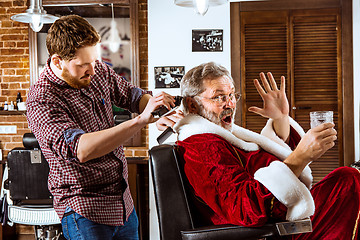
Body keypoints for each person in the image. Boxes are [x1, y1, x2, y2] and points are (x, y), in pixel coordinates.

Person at [26, 15, 181, 240]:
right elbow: (81, 149)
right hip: (85, 211)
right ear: (58, 61)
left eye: (94, 61)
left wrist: (157, 110)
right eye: (83, 65)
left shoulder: (98, 71)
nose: (92, 69)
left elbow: (132, 96)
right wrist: (139, 121)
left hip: (122, 205)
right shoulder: (42, 99)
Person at [173, 62, 360, 239]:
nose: (230, 104)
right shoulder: (203, 146)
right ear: (192, 105)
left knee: (348, 178)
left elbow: (264, 160)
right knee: (349, 180)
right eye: (219, 96)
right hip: (270, 232)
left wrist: (281, 119)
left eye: (232, 95)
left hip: (283, 221)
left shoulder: (224, 135)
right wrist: (300, 157)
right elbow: (244, 208)